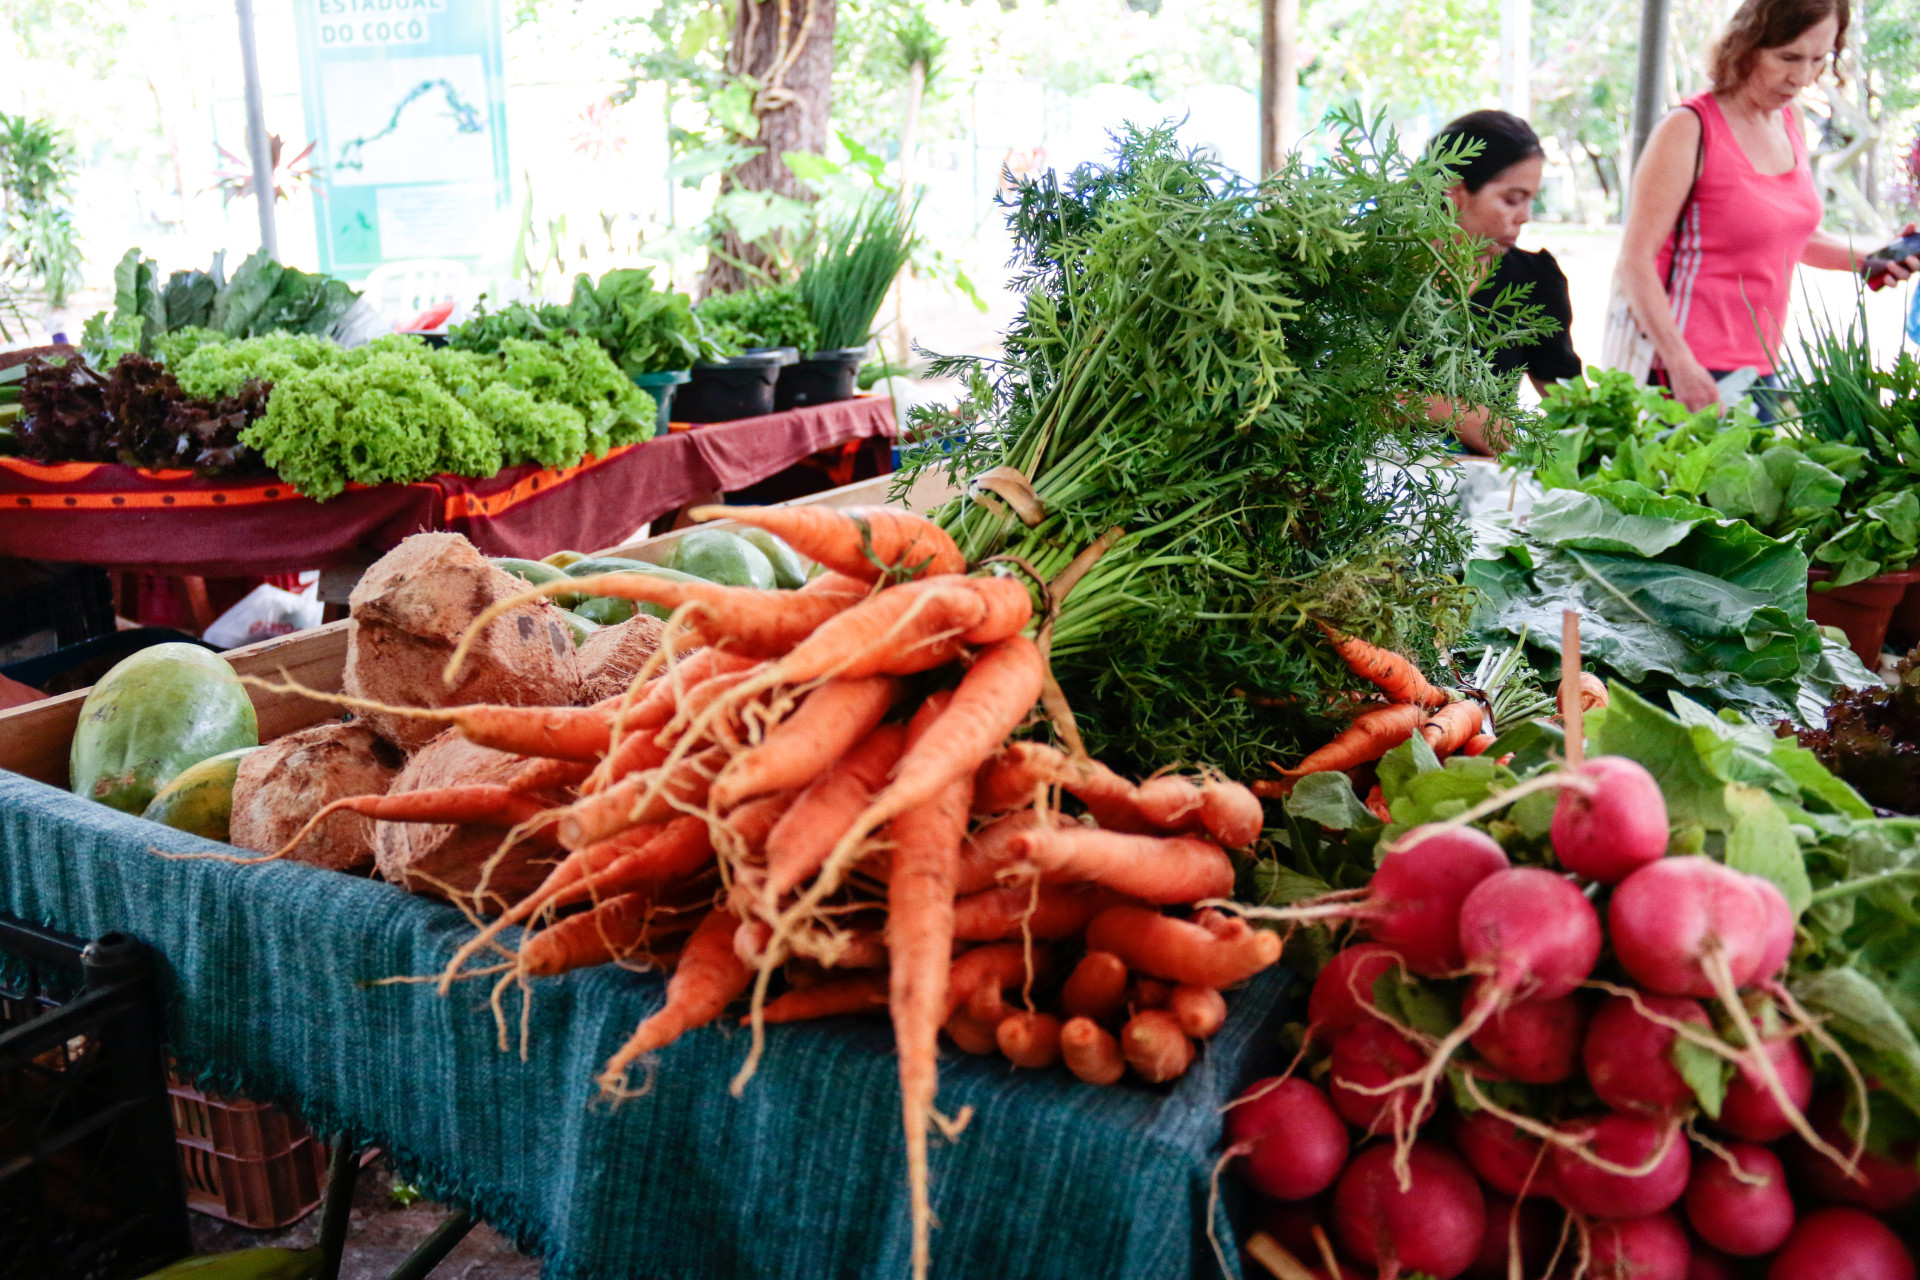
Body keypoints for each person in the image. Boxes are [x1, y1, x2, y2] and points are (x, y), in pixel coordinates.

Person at [1618, 0, 1919, 414]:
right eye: (1788, 57)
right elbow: (1635, 261)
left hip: (1762, 365)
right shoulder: (1688, 128)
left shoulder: (1789, 119)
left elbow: (1795, 234)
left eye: (1819, 59)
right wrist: (1680, 364)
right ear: (1745, 46)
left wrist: (1878, 258)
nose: (1802, 76)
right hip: (1687, 370)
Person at [1425, 110, 1583, 454]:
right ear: (1455, 191)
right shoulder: (1379, 268)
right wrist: (1456, 413)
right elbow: (1343, 390)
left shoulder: (1534, 280)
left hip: (1483, 492)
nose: (1524, 217)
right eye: (1512, 199)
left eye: (1530, 200)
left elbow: (1567, 402)